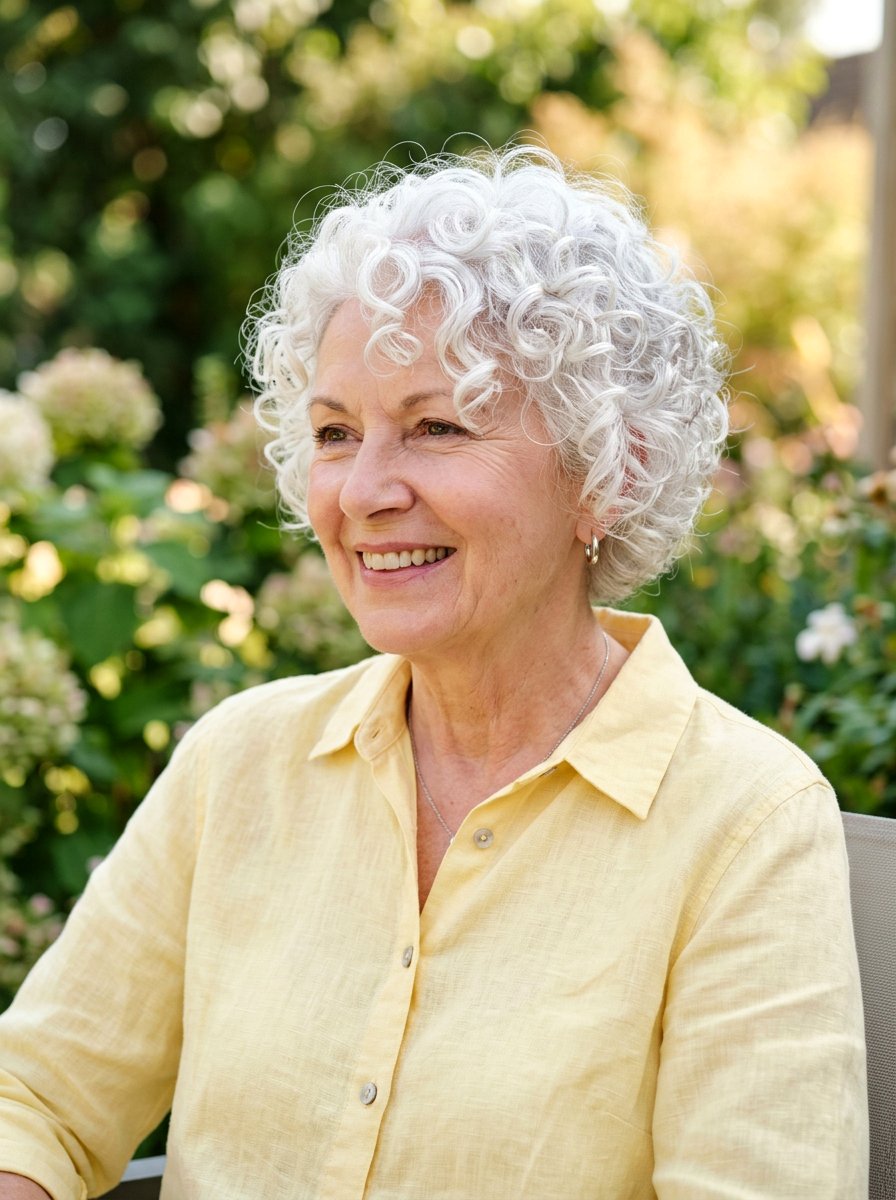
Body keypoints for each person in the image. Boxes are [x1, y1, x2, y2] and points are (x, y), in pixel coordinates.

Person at [0, 147, 867, 1199]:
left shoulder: (745, 823)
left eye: (434, 427)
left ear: (609, 469)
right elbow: (35, 1099)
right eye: (332, 433)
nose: (361, 490)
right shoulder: (241, 761)